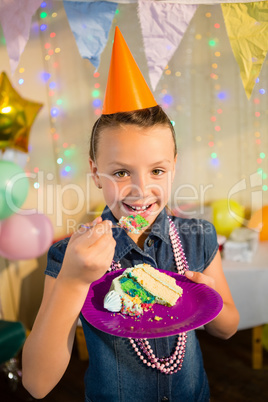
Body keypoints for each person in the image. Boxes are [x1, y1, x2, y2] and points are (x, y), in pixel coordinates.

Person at [22, 27, 239, 402]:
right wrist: (74, 281)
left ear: (174, 166)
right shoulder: (69, 256)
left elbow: (228, 329)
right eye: (121, 172)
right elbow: (36, 384)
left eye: (156, 170)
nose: (141, 190)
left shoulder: (198, 236)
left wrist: (209, 297)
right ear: (95, 173)